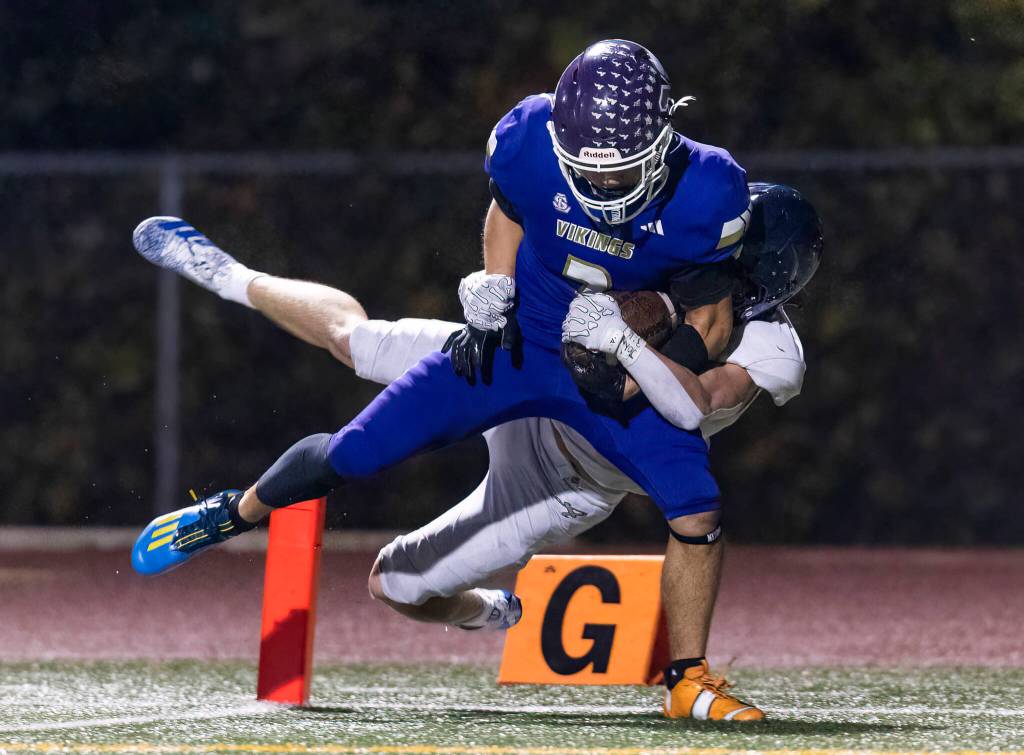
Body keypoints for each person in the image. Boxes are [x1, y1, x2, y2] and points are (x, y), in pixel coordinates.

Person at [131, 38, 811, 721]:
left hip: (586, 440)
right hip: (526, 345)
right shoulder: (527, 142)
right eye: (587, 171)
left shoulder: (718, 219)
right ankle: (230, 478)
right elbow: (509, 212)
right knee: (357, 401)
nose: (604, 185)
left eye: (620, 171)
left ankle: (684, 676)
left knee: (694, 508)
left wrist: (632, 371)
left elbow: (708, 330)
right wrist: (496, 288)